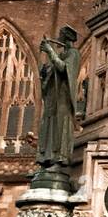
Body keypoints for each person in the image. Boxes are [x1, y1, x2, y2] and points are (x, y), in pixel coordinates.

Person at [37, 25, 81, 168]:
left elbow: (63, 68)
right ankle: (48, 157)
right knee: (50, 123)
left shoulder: (73, 53)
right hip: (54, 97)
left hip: (63, 97)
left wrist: (50, 51)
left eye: (61, 34)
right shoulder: (63, 53)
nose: (58, 37)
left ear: (67, 36)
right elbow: (54, 72)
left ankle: (60, 157)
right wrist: (44, 75)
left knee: (61, 125)